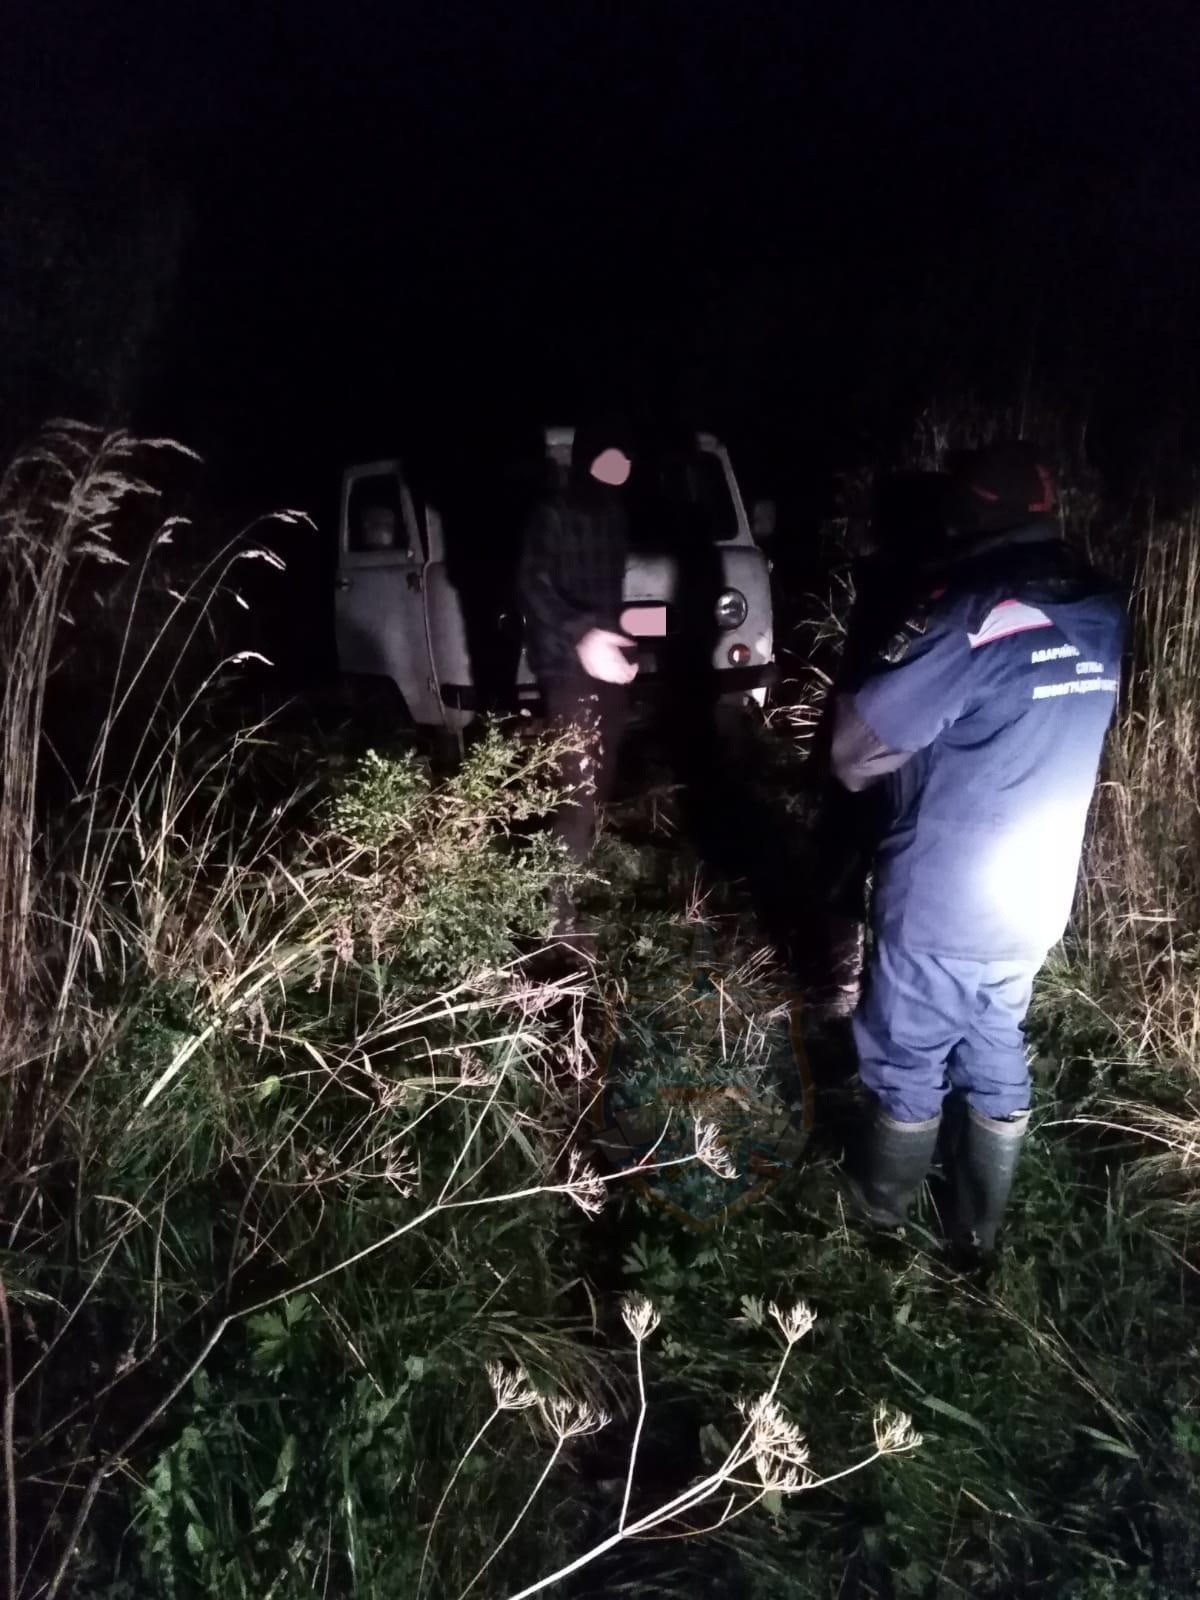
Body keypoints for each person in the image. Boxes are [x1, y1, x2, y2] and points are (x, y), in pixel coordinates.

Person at [830, 442, 1127, 1255]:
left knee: (905, 1052)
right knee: (997, 1038)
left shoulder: (976, 612)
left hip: (945, 888)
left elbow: (854, 757)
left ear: (964, 518)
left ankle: (880, 1231)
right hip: (1035, 889)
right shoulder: (1102, 606)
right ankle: (976, 1240)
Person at [518, 419, 637, 931]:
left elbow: (611, 592)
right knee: (576, 786)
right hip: (565, 664)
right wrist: (583, 633)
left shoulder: (614, 514)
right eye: (612, 460)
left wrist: (620, 638)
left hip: (607, 664)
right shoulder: (551, 513)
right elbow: (532, 584)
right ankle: (553, 926)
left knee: (601, 779)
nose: (622, 470)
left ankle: (580, 888)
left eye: (626, 462)